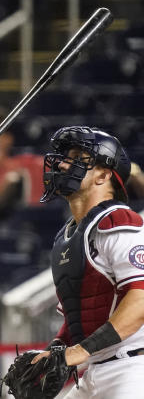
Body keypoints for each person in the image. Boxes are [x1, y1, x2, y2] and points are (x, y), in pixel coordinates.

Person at [30, 126, 144, 397]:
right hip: (95, 371)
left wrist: (76, 353)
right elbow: (79, 316)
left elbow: (140, 302)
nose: (64, 163)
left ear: (104, 175)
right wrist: (54, 352)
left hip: (133, 368)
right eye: (64, 156)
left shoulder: (119, 222)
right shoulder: (68, 235)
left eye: (77, 158)